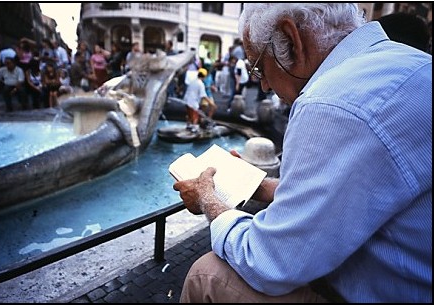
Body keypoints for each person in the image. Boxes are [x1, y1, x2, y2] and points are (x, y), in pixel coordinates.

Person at [173, 3, 432, 304]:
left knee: (206, 274)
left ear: (290, 39)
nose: (266, 84)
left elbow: (270, 263)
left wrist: (210, 202)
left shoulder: (328, 103)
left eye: (259, 67)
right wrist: (260, 185)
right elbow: (357, 191)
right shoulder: (414, 62)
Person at [182, 68, 213, 133]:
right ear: (204, 76)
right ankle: (194, 128)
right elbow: (203, 95)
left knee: (189, 114)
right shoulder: (200, 84)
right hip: (193, 101)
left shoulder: (193, 81)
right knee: (195, 115)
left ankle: (189, 125)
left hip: (186, 99)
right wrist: (210, 103)